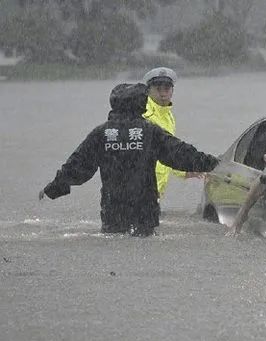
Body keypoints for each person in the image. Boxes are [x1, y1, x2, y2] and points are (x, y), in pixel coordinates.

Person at [39, 83, 219, 237]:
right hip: (145, 211)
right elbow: (181, 154)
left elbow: (77, 166)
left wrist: (54, 188)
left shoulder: (101, 133)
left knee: (115, 243)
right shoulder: (149, 132)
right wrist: (214, 164)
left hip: (113, 210)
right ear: (142, 103)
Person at [141, 67, 202, 198]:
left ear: (172, 91)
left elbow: (167, 152)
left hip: (154, 191)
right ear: (148, 91)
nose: (163, 94)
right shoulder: (144, 115)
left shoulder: (168, 116)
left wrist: (184, 171)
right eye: (158, 89)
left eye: (167, 89)